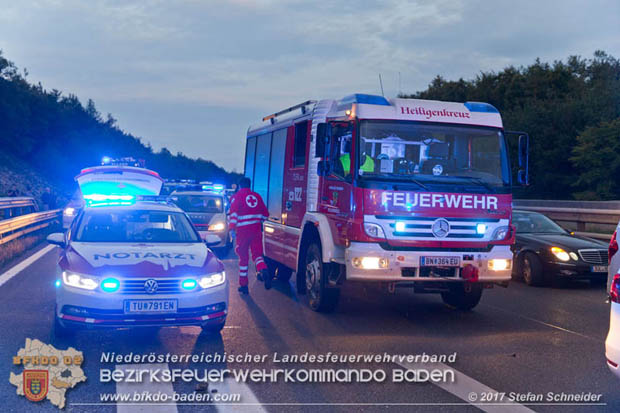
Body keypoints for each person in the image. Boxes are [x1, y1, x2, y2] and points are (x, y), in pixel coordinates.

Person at [227, 177, 270, 294]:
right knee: (257, 255)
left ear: (240, 186)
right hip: (256, 231)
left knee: (243, 258)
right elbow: (265, 215)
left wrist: (231, 228)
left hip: (243, 232)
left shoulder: (237, 197)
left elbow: (234, 215)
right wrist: (255, 220)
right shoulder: (257, 196)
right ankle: (263, 269)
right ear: (249, 185)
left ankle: (244, 286)